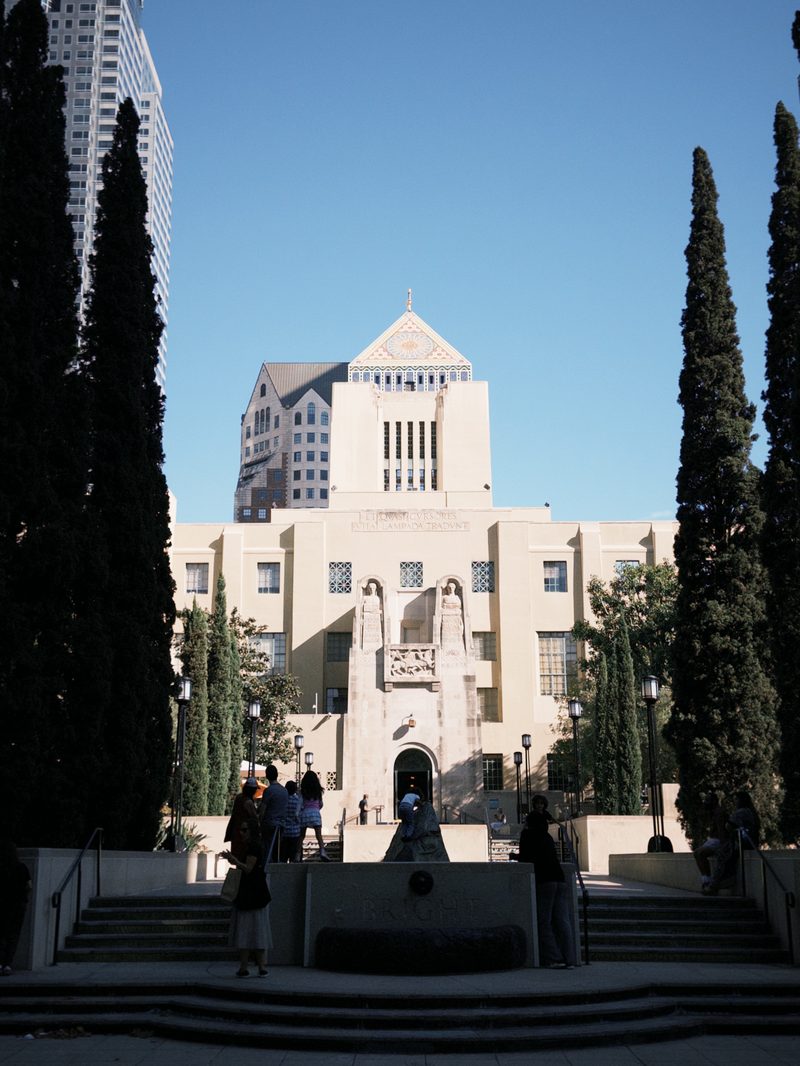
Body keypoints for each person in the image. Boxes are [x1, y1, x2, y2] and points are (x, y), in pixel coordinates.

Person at [517, 812, 576, 969]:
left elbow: (525, 857)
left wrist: (514, 857)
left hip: (544, 880)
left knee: (544, 921)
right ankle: (570, 958)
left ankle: (554, 958)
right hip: (559, 878)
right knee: (563, 921)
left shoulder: (527, 835)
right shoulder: (547, 836)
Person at [221, 818, 271, 977]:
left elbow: (248, 868)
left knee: (248, 930)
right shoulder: (252, 846)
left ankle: (249, 966)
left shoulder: (253, 847)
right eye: (240, 830)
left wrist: (234, 860)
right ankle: (255, 966)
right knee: (256, 930)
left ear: (251, 831)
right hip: (254, 893)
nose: (241, 833)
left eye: (244, 830)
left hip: (252, 893)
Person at [704, 791, 761, 896]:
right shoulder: (752, 812)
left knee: (722, 856)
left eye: (736, 800)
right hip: (751, 842)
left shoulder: (741, 812)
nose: (735, 803)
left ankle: (714, 885)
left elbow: (729, 825)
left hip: (741, 843)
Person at [0, 841, 31, 976]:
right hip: (18, 904)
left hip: (3, 904)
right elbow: (29, 886)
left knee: (1, 934)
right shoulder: (21, 867)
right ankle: (7, 964)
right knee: (13, 934)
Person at [693, 793, 728, 890]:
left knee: (700, 853)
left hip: (718, 841)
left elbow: (721, 830)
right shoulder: (713, 813)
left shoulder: (719, 813)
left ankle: (707, 880)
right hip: (713, 840)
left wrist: (723, 845)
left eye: (708, 800)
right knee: (697, 853)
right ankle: (706, 878)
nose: (706, 803)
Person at [258, 765, 288, 864]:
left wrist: (259, 822)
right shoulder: (284, 791)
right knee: (277, 849)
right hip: (282, 824)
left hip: (269, 823)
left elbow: (263, 809)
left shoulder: (268, 791)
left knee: (267, 848)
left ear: (267, 776)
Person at [223, 777, 259, 860]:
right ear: (252, 790)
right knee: (243, 858)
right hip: (244, 833)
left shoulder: (239, 797)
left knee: (237, 858)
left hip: (235, 831)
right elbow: (254, 817)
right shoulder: (248, 802)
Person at [299, 770, 329, 862]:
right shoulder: (318, 792)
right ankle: (322, 852)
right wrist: (316, 808)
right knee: (318, 835)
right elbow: (321, 804)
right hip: (315, 813)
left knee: (301, 836)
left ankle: (297, 854)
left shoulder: (302, 791)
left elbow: (301, 803)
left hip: (305, 813)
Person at [281, 779, 301, 862]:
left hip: (284, 832)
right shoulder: (298, 801)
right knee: (294, 858)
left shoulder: (283, 801)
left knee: (283, 857)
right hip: (296, 832)